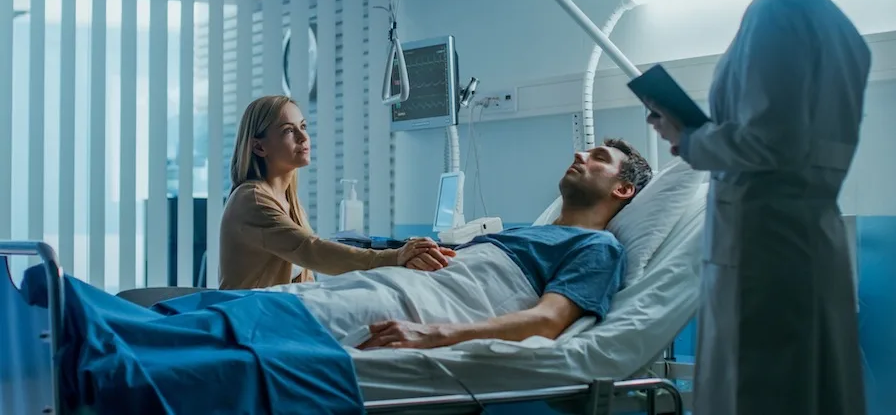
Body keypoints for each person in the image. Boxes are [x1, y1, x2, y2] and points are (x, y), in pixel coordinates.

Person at [647, 0, 870, 414]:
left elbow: (770, 143)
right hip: (812, 236)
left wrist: (689, 138)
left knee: (759, 391)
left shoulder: (775, 13)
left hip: (762, 245)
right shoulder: (840, 28)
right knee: (816, 387)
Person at [301, 137, 650, 349]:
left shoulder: (597, 247)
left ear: (622, 189)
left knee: (267, 328)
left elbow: (546, 321)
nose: (579, 155)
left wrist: (432, 335)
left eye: (598, 158)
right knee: (265, 304)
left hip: (396, 310)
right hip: (376, 287)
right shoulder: (521, 233)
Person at [219, 95, 456, 289]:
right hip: (247, 320)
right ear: (259, 147)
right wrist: (394, 257)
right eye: (288, 131)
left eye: (303, 127)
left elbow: (305, 276)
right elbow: (310, 250)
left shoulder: (288, 200)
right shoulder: (253, 199)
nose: (304, 137)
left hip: (274, 315)